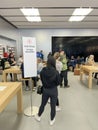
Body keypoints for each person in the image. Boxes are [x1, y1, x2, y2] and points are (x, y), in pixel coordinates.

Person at [35, 56, 60, 125]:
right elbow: (58, 82)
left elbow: (41, 79)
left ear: (48, 62)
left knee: (43, 104)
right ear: (54, 63)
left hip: (45, 90)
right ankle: (52, 120)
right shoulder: (56, 72)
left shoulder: (43, 70)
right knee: (53, 106)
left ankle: (39, 116)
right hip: (54, 90)